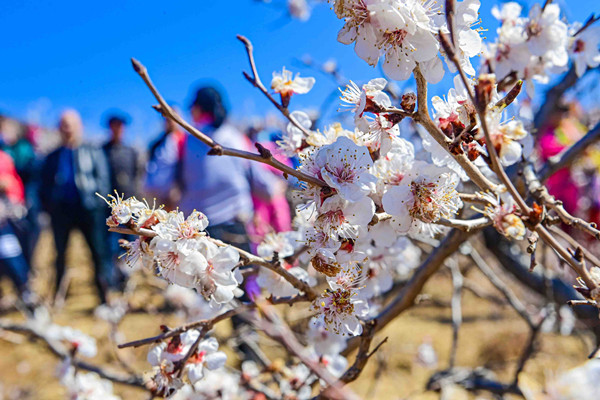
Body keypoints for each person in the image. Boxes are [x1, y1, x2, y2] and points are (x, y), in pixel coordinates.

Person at [179, 87, 277, 250]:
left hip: (198, 231)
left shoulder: (184, 141)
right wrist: (274, 188)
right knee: (241, 274)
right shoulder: (236, 137)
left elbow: (158, 185)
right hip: (237, 226)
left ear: (197, 109)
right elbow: (261, 181)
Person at [39, 109, 114, 304]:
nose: (67, 129)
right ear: (59, 128)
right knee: (60, 254)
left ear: (79, 126)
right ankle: (58, 295)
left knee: (97, 252)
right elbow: (44, 184)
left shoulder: (93, 150)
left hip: (88, 210)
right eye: (63, 124)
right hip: (61, 211)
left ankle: (104, 295)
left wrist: (98, 202)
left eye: (71, 124)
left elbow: (103, 179)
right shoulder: (53, 156)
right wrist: (50, 206)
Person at [0, 148, 33, 303]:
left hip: (4, 222)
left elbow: (11, 184)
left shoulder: (4, 158)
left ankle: (26, 294)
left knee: (12, 257)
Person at [144, 109, 186, 210]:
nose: (169, 122)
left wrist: (177, 187)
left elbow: (184, 166)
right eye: (167, 119)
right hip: (158, 194)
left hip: (177, 194)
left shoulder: (183, 140)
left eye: (172, 118)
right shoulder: (157, 143)